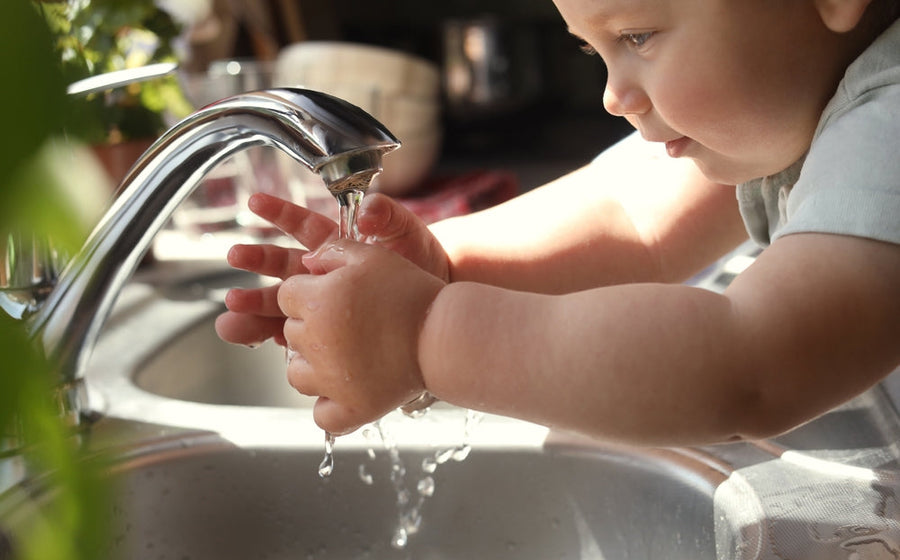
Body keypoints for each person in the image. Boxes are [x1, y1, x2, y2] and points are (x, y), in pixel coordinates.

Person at [215, 0, 900, 445]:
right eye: (593, 51)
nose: (611, 95)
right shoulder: (784, 104)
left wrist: (423, 334)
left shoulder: (891, 121)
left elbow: (753, 364)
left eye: (638, 35)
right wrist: (437, 269)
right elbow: (630, 217)